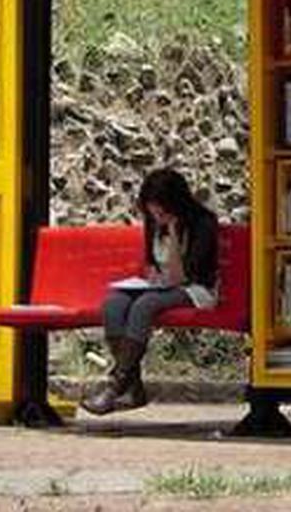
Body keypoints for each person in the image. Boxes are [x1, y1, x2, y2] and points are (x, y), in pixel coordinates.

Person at [81, 169, 218, 415]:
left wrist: (174, 233)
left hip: (196, 290)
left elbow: (181, 276)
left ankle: (115, 385)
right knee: (114, 303)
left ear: (176, 204)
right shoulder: (153, 222)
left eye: (161, 210)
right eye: (152, 210)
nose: (156, 215)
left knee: (145, 305)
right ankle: (133, 386)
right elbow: (152, 264)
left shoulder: (203, 223)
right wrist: (152, 276)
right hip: (162, 287)